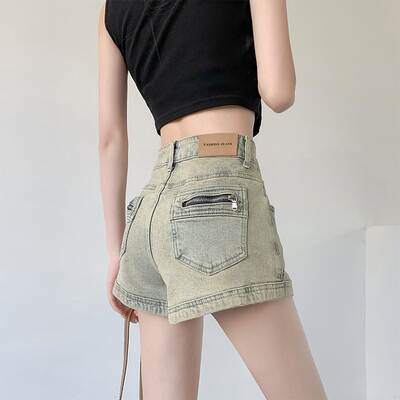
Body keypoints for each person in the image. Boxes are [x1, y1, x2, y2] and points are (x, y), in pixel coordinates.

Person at [97, 0, 328, 399]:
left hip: (148, 215)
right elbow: (279, 92)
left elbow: (110, 138)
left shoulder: (109, 10)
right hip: (217, 189)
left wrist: (116, 253)